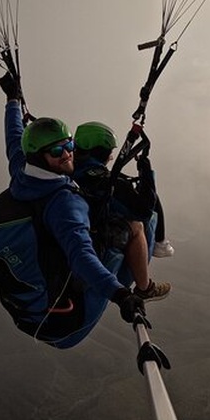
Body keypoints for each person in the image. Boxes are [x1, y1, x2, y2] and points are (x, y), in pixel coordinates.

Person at [0, 70, 144, 349]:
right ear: (39, 157)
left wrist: (12, 99)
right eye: (57, 151)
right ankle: (143, 287)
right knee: (136, 226)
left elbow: (14, 137)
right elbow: (81, 255)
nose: (68, 154)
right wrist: (121, 295)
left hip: (30, 316)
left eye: (69, 144)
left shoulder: (22, 171)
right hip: (67, 324)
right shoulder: (64, 203)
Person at [72, 121, 172, 302]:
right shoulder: (105, 182)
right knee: (137, 226)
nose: (112, 157)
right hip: (95, 233)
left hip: (79, 223)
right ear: (104, 153)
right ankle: (145, 288)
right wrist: (146, 172)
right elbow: (143, 211)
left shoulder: (68, 166)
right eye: (110, 152)